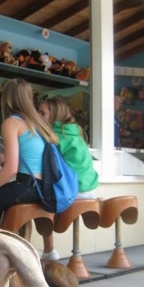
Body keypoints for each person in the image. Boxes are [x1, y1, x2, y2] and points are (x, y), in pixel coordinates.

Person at [0, 78, 57, 219]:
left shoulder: (12, 122)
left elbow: (11, 169)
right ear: (29, 98)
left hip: (27, 187)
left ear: (6, 98)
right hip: (43, 189)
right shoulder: (39, 124)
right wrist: (4, 162)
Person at [37, 97, 99, 260]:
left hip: (77, 190)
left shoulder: (53, 136)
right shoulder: (74, 130)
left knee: (41, 201)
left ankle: (49, 251)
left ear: (55, 114)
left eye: (42, 113)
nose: (38, 116)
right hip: (90, 188)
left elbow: (43, 164)